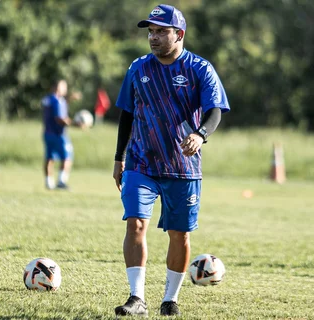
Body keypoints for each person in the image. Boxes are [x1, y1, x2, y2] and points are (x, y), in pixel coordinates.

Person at [112, 4, 230, 317]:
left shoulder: (199, 68)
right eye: (150, 31)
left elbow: (215, 109)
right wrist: (119, 158)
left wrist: (201, 134)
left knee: (180, 235)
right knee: (136, 225)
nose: (153, 37)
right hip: (141, 163)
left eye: (161, 31)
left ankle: (170, 299)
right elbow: (126, 113)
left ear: (179, 34)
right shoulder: (138, 68)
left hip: (183, 168)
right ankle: (136, 298)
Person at [41, 79, 74, 190]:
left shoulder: (47, 99)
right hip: (58, 134)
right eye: (63, 86)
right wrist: (75, 123)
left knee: (49, 157)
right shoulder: (58, 100)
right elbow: (59, 118)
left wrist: (69, 100)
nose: (65, 89)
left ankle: (49, 182)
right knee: (67, 156)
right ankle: (61, 181)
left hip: (47, 133)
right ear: (56, 87)